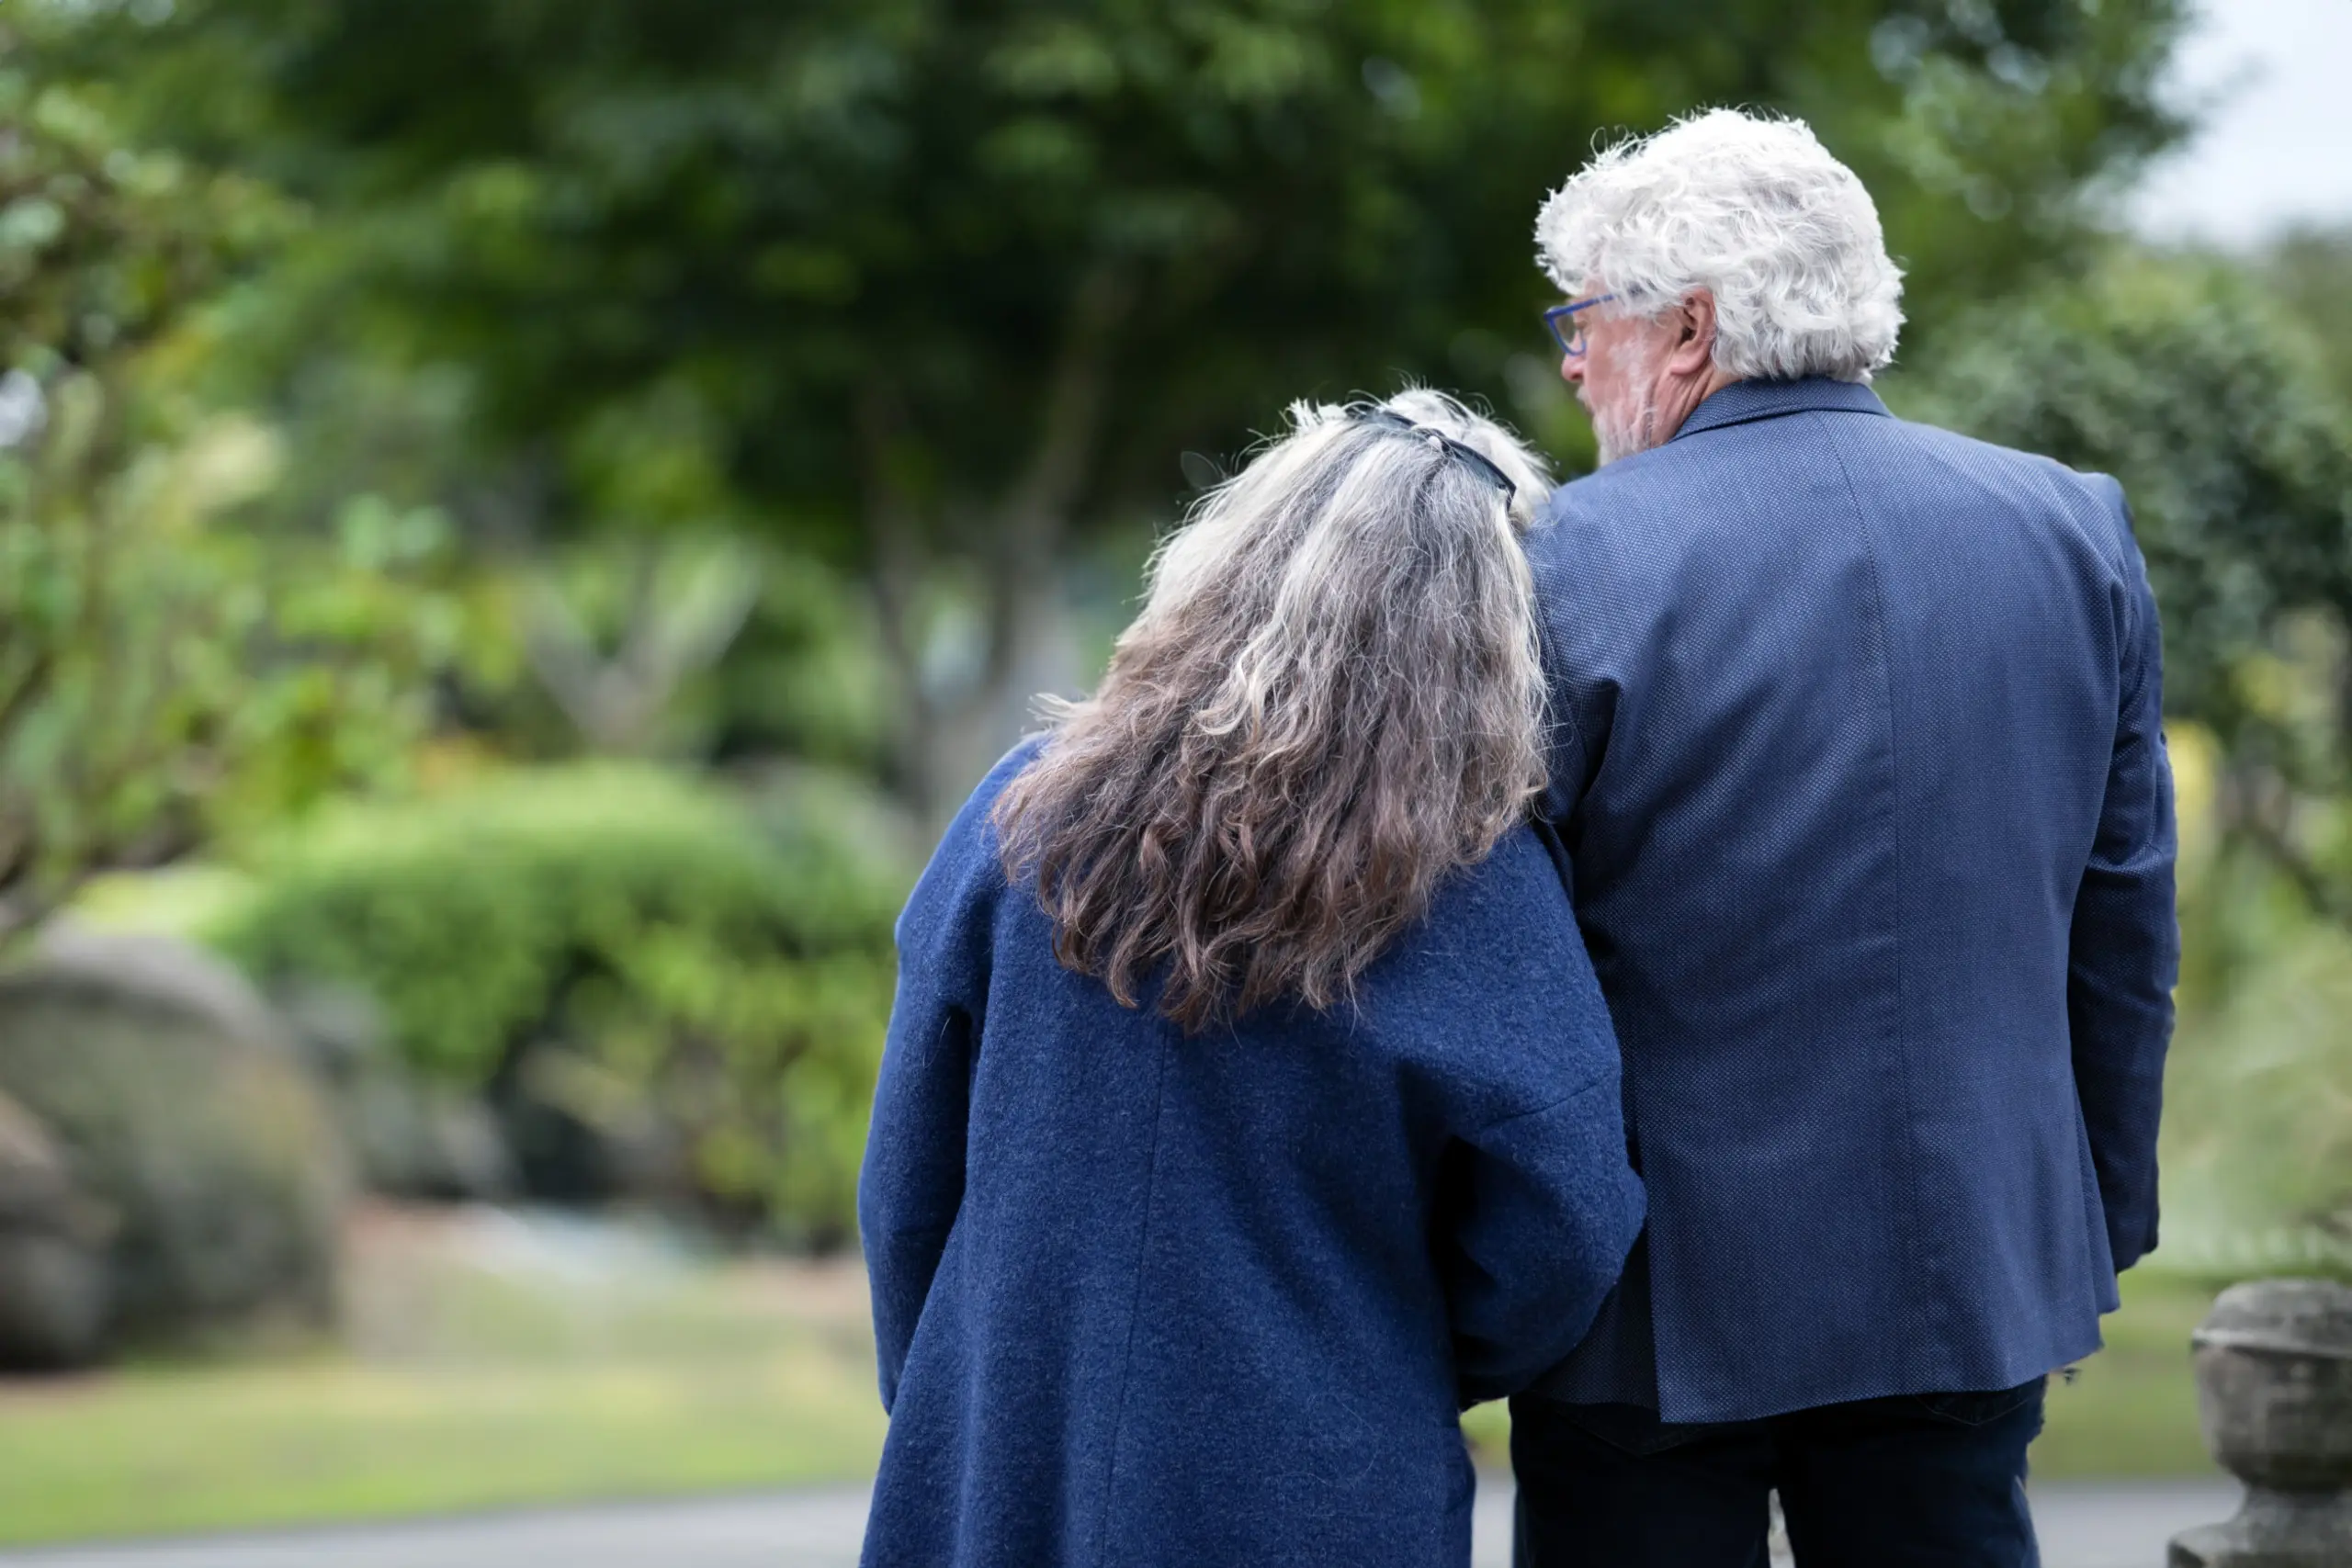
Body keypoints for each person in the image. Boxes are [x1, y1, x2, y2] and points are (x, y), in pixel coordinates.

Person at [1510, 108, 2179, 1566]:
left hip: (1650, 1298)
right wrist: (2089, 1216)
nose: (1571, 357)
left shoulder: (1557, 562)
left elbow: (1504, 957)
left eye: (1586, 317)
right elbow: (2121, 922)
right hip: (1970, 1267)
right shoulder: (2073, 529)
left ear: (1687, 329)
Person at [857, 390, 1645, 1568]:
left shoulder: (1022, 816)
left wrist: (957, 1388)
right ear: (1485, 633)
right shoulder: (1476, 887)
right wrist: (1400, 1341)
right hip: (1318, 1470)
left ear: (1226, 558)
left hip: (1010, 1454)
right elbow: (1565, 1219)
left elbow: (907, 1179)